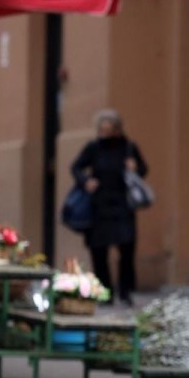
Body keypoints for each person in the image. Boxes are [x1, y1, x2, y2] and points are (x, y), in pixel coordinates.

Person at [70, 109, 147, 307]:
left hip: (122, 205)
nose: (103, 133)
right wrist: (86, 181)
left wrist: (134, 168)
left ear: (117, 129)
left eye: (108, 129)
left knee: (127, 250)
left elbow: (144, 170)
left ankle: (125, 291)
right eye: (101, 129)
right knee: (99, 251)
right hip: (99, 205)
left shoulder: (129, 147)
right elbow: (76, 167)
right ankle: (105, 292)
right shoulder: (93, 148)